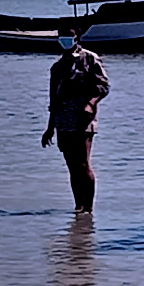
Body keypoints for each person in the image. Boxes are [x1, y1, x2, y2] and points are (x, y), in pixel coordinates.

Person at [42, 28, 109, 214]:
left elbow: (103, 86)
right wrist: (50, 127)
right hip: (63, 117)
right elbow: (53, 99)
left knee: (82, 163)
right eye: (61, 37)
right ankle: (79, 206)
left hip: (83, 116)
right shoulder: (57, 66)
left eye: (68, 37)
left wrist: (90, 103)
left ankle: (89, 207)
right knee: (71, 165)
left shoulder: (90, 59)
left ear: (76, 38)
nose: (65, 40)